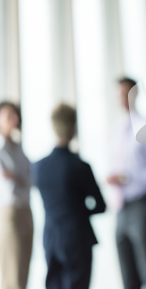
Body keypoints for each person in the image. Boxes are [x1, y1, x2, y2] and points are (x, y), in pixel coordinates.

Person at [32, 103, 106, 289]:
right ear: (73, 128)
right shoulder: (80, 166)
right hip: (77, 236)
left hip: (50, 236)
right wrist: (78, 211)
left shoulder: (39, 167)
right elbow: (100, 205)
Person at [107, 77, 146, 289]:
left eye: (125, 93)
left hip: (142, 205)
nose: (122, 99)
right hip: (122, 207)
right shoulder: (117, 130)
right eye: (119, 94)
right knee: (127, 275)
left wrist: (130, 178)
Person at [0, 101, 33, 289]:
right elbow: (8, 182)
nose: (14, 120)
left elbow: (27, 180)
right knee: (11, 273)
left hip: (25, 209)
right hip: (9, 212)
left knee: (23, 270)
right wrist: (17, 178)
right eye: (8, 116)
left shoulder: (18, 147)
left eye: (15, 115)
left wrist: (16, 178)